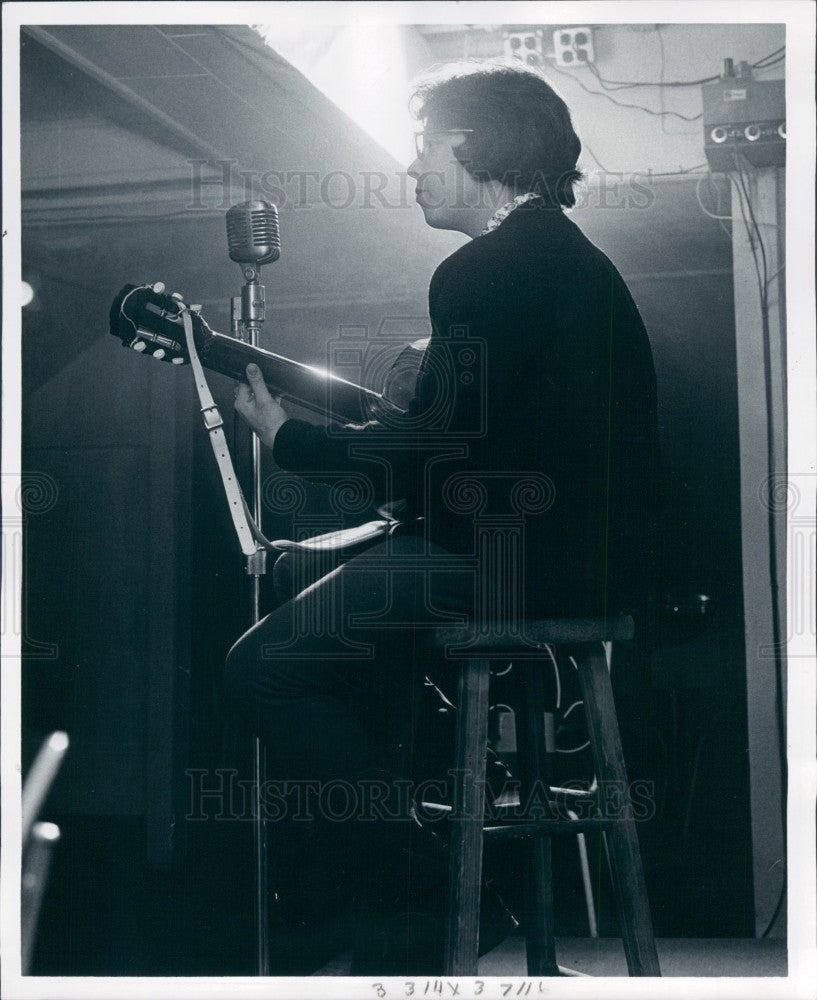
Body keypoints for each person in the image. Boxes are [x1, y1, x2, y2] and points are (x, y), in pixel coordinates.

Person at [224, 62, 661, 972]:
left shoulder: (484, 269)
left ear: (472, 146)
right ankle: (406, 913)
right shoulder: (570, 260)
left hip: (518, 566)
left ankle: (432, 891)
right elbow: (485, 446)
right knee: (326, 603)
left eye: (425, 144)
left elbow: (436, 449)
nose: (412, 168)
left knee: (262, 668)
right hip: (579, 559)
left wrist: (291, 441)